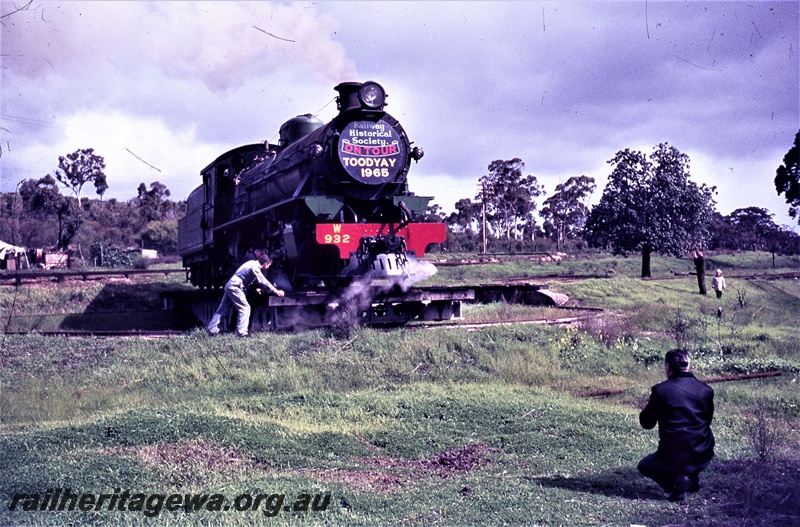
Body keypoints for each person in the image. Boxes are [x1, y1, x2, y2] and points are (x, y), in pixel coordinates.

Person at [637, 349, 715, 502]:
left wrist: (654, 402)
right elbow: (707, 421)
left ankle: (676, 485)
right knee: (690, 443)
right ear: (688, 365)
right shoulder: (706, 390)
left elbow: (646, 423)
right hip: (702, 453)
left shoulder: (661, 390)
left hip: (673, 455)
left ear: (667, 366)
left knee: (645, 465)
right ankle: (691, 478)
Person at [207, 253, 285, 337]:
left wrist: (256, 288)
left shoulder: (252, 263)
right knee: (245, 308)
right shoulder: (254, 267)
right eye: (269, 265)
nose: (269, 267)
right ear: (265, 263)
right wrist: (276, 291)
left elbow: (247, 278)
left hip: (230, 285)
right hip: (235, 287)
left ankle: (212, 329)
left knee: (222, 309)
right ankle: (242, 333)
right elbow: (262, 280)